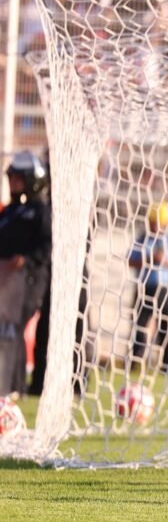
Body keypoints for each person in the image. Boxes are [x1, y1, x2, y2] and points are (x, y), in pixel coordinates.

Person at [0, 151, 52, 398]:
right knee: (7, 329)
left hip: (29, 282)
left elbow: (47, 246)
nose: (12, 184)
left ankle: (15, 386)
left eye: (17, 179)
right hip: (6, 284)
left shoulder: (41, 212)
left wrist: (26, 260)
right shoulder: (10, 213)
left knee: (15, 327)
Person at [127, 202, 168, 375]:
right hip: (144, 288)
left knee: (165, 327)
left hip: (165, 289)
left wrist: (164, 260)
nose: (155, 226)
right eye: (152, 222)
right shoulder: (142, 239)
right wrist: (149, 259)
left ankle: (166, 365)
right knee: (140, 325)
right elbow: (130, 260)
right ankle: (135, 361)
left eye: (158, 222)